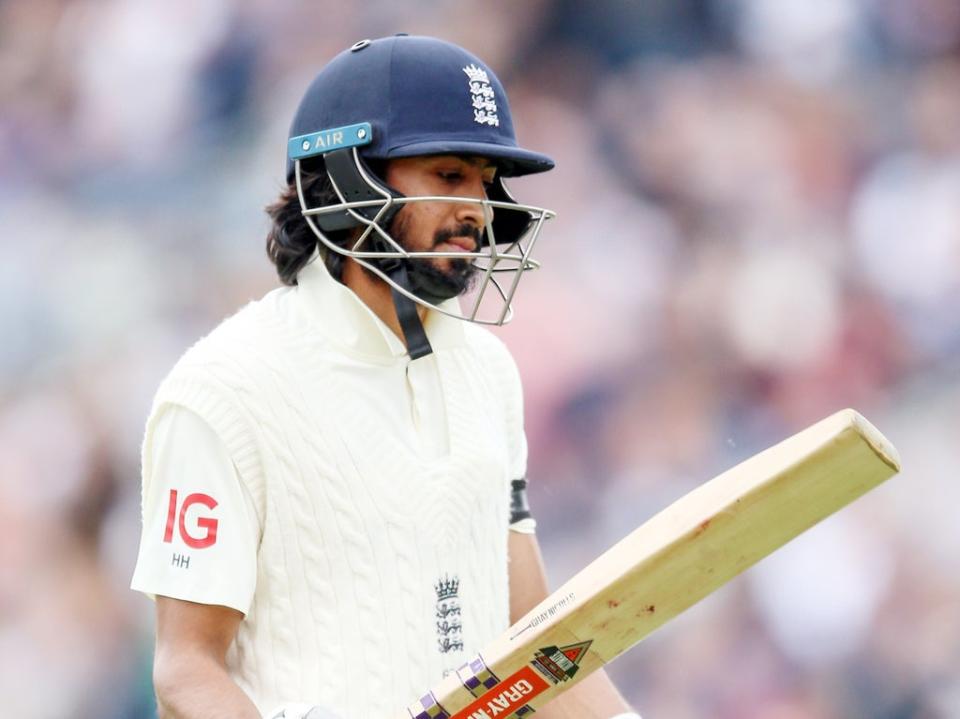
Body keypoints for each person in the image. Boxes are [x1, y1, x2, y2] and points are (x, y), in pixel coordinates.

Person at [131, 34, 641, 719]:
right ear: (346, 177)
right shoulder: (223, 389)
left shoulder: (486, 372)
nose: (478, 210)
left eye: (486, 182)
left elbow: (531, 639)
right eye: (449, 176)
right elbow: (186, 668)